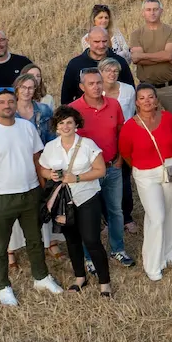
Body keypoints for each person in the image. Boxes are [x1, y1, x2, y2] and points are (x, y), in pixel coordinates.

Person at [0, 87, 58, 304]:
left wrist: (42, 189)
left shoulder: (26, 127)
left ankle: (41, 277)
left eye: (10, 101)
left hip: (30, 193)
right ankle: (3, 286)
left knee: (35, 240)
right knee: (0, 246)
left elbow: (37, 159)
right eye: (2, 102)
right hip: (2, 198)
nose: (7, 106)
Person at [38, 105, 110, 295]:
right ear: (56, 126)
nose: (65, 126)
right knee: (72, 240)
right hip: (64, 201)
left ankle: (105, 283)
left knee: (92, 240)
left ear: (76, 124)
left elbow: (100, 170)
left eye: (69, 122)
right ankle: (80, 277)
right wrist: (50, 174)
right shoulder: (51, 147)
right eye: (61, 123)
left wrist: (77, 178)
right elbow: (42, 169)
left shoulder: (87, 144)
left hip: (87, 197)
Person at [70, 67, 133, 266]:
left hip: (113, 166)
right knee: (89, 215)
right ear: (82, 87)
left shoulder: (113, 105)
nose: (96, 87)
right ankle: (89, 257)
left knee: (116, 211)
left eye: (99, 83)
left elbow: (122, 132)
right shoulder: (73, 109)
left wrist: (121, 158)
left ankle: (117, 249)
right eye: (91, 84)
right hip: (87, 172)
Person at [122, 83, 172, 281]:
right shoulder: (129, 127)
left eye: (151, 97)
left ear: (156, 100)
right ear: (136, 102)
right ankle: (153, 265)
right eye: (142, 98)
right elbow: (125, 153)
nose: (147, 101)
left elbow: (171, 137)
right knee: (156, 217)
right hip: (146, 174)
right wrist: (142, 166)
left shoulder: (168, 118)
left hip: (169, 168)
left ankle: (170, 255)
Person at [128, 0, 172, 147]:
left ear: (161, 11)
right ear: (143, 13)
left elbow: (167, 55)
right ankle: (155, 155)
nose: (152, 13)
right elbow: (136, 60)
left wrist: (144, 56)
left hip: (168, 88)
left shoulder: (171, 31)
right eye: (148, 10)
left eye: (155, 9)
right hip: (146, 89)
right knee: (149, 124)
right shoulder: (136, 34)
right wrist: (166, 57)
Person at [60, 27, 131, 104]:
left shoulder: (120, 62)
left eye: (104, 41)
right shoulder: (75, 65)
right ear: (87, 40)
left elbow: (130, 91)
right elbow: (66, 98)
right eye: (96, 42)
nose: (101, 45)